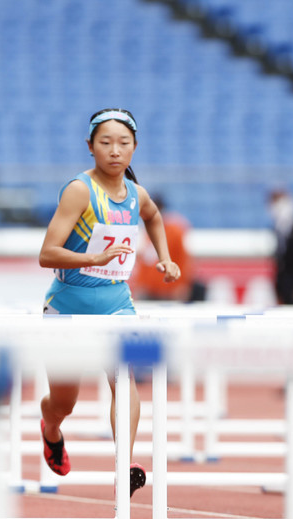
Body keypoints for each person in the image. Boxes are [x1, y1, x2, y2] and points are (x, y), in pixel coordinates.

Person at [37, 108, 180, 497]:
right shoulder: (79, 191)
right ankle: (50, 429)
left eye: (123, 143)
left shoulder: (137, 194)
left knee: (124, 378)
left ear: (135, 148)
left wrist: (164, 256)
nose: (115, 151)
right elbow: (47, 253)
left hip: (117, 304)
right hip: (67, 308)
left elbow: (152, 216)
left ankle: (125, 462)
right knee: (63, 402)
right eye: (105, 143)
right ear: (90, 147)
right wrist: (91, 259)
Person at [128, 194, 200, 302]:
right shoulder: (148, 232)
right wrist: (140, 284)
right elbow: (146, 260)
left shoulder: (175, 230)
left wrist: (183, 285)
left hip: (169, 289)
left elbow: (183, 259)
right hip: (149, 289)